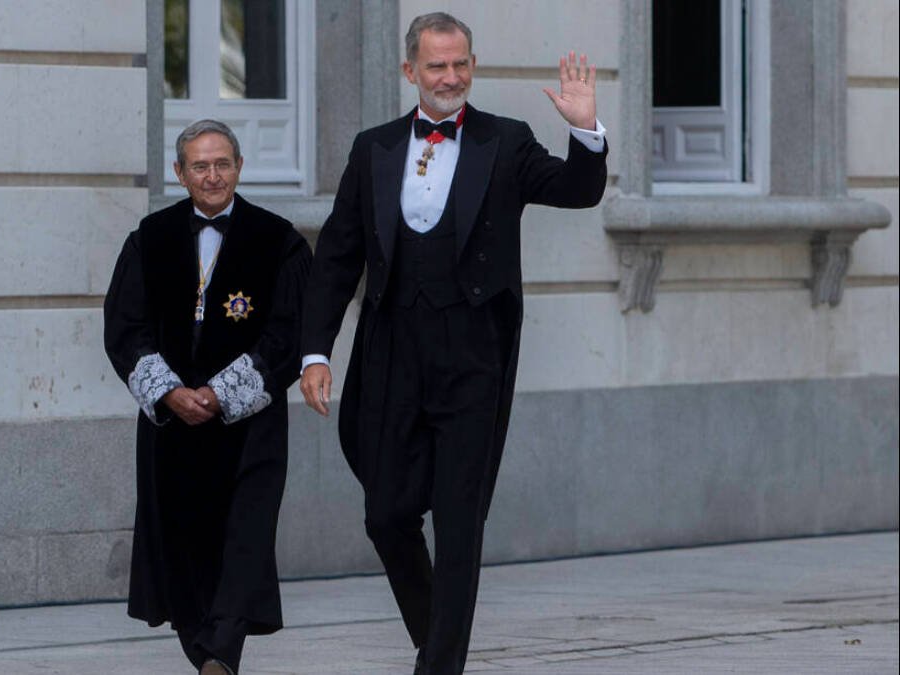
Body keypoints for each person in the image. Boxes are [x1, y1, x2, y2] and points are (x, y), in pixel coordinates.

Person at [298, 12, 608, 675]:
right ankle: (436, 634)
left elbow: (578, 192)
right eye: (437, 66)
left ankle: (439, 665)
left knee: (461, 520)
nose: (451, 77)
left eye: (461, 63)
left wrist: (584, 129)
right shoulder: (372, 148)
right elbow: (337, 257)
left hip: (472, 356)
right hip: (390, 350)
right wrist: (316, 351)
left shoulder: (506, 141)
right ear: (411, 70)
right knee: (385, 513)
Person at [104, 119, 311, 674]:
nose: (212, 175)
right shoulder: (150, 239)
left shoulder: (279, 241)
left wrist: (221, 394)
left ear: (239, 168)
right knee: (181, 546)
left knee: (243, 540)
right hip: (172, 426)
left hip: (250, 425)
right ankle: (207, 655)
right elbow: (125, 328)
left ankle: (221, 653)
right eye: (200, 165)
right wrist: (170, 392)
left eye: (222, 164)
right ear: (180, 173)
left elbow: (289, 333)